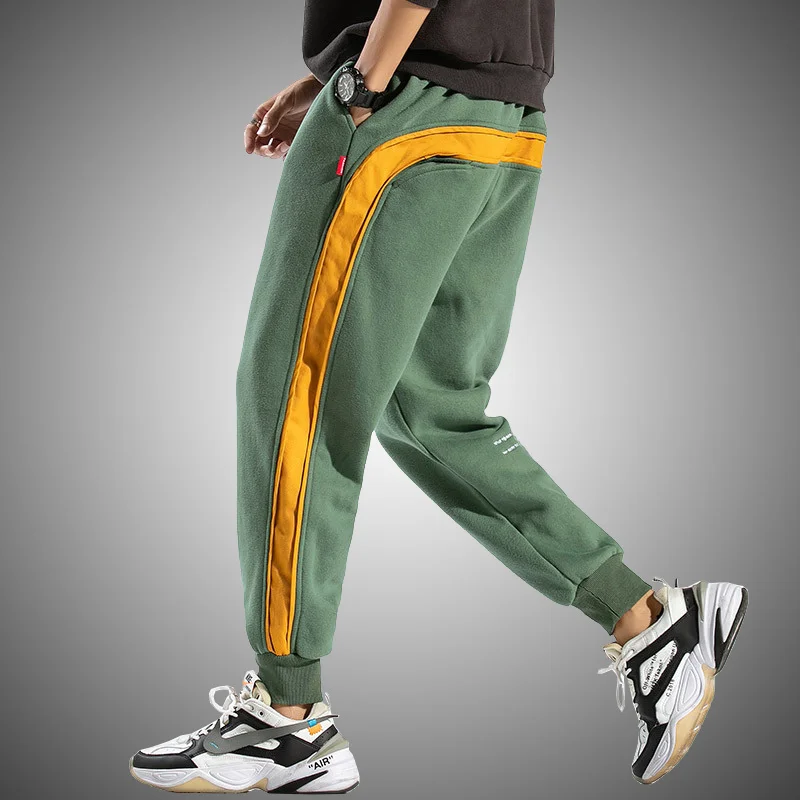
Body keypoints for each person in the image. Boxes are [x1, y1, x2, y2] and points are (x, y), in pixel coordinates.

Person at [129, 0, 748, 793]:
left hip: (405, 111)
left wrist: (365, 80)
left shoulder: (385, 89)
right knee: (429, 405)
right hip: (503, 115)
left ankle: (287, 719)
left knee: (294, 397)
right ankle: (648, 620)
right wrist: (342, 68)